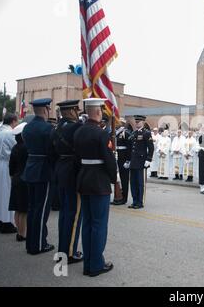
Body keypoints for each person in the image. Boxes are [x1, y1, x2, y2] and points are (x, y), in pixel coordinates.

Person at [73, 98, 116, 277]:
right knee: (99, 225)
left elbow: (77, 159)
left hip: (83, 179)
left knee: (88, 223)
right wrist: (114, 179)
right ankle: (96, 265)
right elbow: (109, 160)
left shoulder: (78, 132)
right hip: (99, 182)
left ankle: (88, 264)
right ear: (98, 112)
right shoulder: (101, 134)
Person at [51, 100, 84, 264]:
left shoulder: (56, 128)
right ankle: (69, 253)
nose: (77, 113)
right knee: (74, 214)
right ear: (71, 111)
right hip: (72, 172)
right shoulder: (76, 128)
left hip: (60, 171)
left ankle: (62, 250)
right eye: (76, 110)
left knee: (64, 214)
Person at [22, 99, 55, 255]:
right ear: (46, 109)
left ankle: (31, 243)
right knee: (41, 210)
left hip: (30, 169)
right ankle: (39, 244)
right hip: (43, 171)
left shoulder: (27, 128)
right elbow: (52, 152)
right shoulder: (47, 128)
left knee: (32, 209)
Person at [126, 116, 154, 209]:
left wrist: (148, 159)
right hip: (133, 161)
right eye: (136, 122)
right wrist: (128, 160)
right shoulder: (134, 133)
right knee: (133, 182)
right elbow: (131, 148)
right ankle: (134, 201)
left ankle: (140, 202)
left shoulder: (146, 133)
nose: (137, 123)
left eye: (138, 122)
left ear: (143, 122)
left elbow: (151, 147)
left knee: (139, 183)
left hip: (141, 161)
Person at [8, 122, 28, 241]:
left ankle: (18, 231)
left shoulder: (15, 148)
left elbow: (11, 168)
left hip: (15, 178)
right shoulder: (26, 148)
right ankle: (23, 233)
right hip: (24, 179)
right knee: (24, 209)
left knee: (17, 208)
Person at [111, 118, 133, 206]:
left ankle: (124, 198)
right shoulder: (114, 133)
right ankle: (117, 196)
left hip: (123, 159)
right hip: (116, 158)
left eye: (118, 122)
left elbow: (130, 148)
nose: (116, 124)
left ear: (122, 124)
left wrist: (128, 160)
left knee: (124, 179)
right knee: (116, 178)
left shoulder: (126, 133)